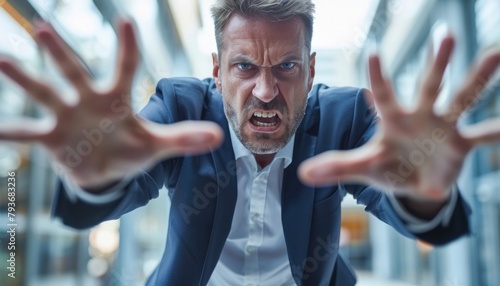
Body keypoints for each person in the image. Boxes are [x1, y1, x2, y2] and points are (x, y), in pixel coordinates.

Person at [0, 0, 499, 285]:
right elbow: (124, 174)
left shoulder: (344, 119)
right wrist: (96, 175)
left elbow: (409, 203)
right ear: (216, 71)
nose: (266, 91)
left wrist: (423, 190)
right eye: (245, 66)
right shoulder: (181, 109)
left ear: (311, 70)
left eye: (287, 66)